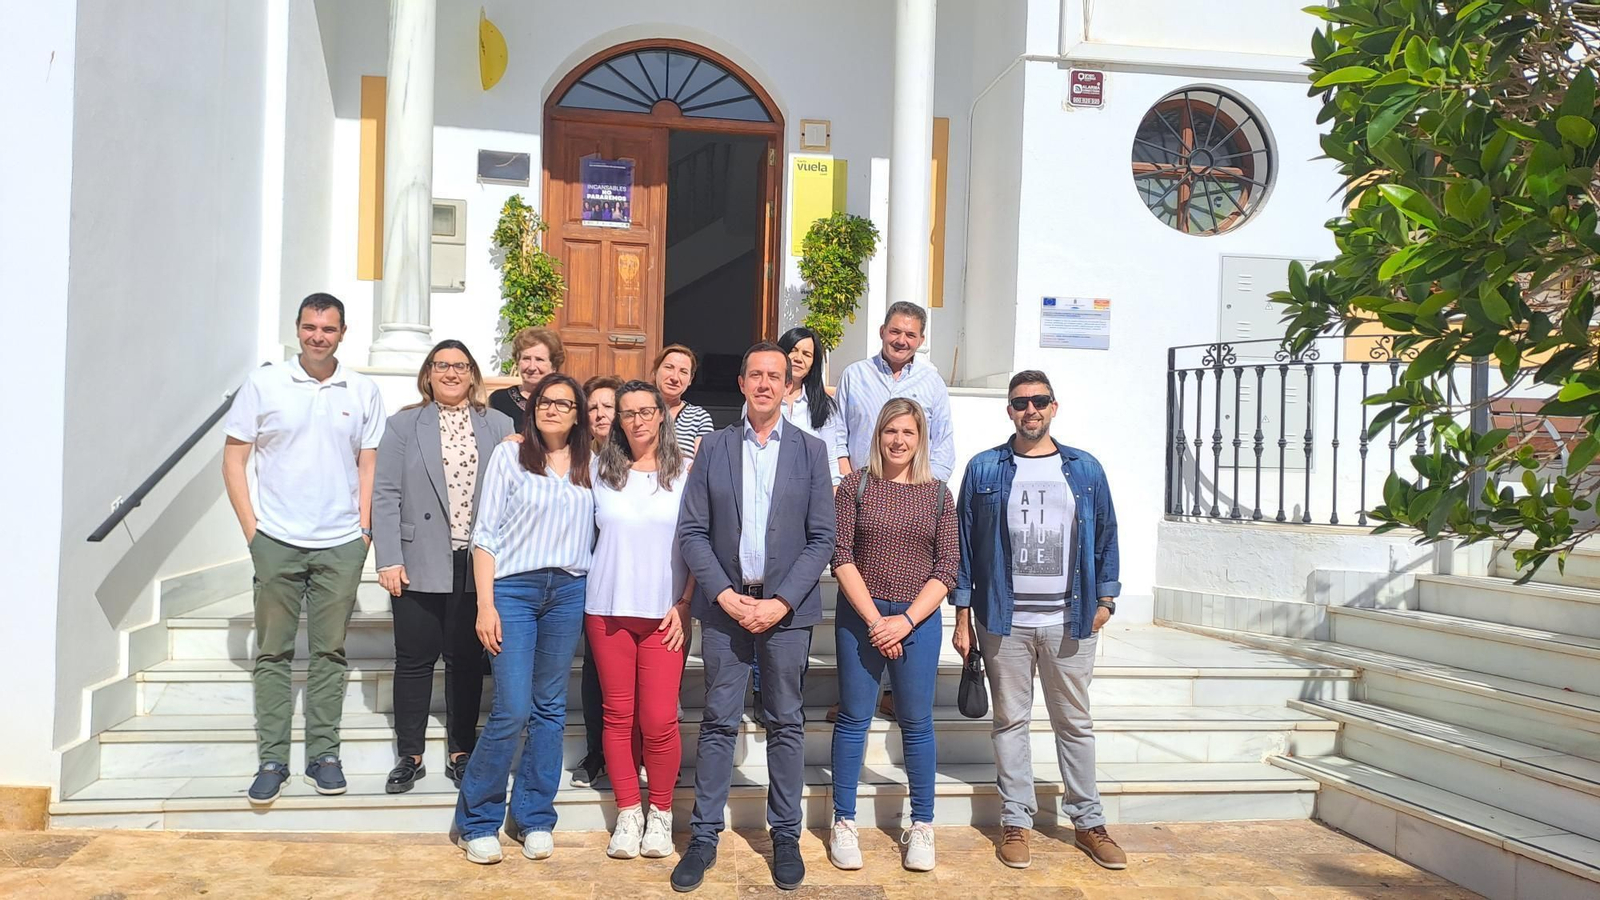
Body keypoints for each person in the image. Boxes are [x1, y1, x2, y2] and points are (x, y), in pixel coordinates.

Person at [671, 343, 836, 893]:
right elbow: (692, 531)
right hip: (726, 609)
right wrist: (722, 594)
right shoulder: (713, 447)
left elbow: (822, 539)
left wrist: (781, 601)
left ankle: (784, 835)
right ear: (740, 383)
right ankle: (704, 837)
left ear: (789, 386)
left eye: (776, 376)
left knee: (786, 721)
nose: (765, 384)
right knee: (718, 722)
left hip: (785, 611)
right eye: (755, 375)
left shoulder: (812, 453)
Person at [952, 370, 1126, 872]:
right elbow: (965, 547)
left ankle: (1089, 821)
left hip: (1069, 619)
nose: (1031, 410)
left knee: (1074, 724)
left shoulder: (1084, 469)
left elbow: (1107, 537)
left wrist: (1107, 601)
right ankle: (1016, 822)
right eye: (1021, 402)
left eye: (1040, 401)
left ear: (1054, 407)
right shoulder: (985, 469)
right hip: (1003, 621)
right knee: (1010, 723)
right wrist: (963, 617)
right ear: (1009, 409)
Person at [221, 293, 386, 806]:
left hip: (340, 543)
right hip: (276, 541)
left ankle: (324, 755)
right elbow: (234, 460)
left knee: (329, 653)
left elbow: (368, 465)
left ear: (343, 332)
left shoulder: (361, 389)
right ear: (297, 329)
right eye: (310, 327)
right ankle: (272, 758)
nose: (319, 336)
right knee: (272, 653)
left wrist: (363, 532)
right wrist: (254, 533)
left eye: (329, 328)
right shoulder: (265, 383)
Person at [453, 374, 594, 865]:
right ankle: (477, 819)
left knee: (550, 708)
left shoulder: (591, 463)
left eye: (563, 402)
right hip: (514, 589)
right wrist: (485, 603)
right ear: (531, 407)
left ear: (578, 414)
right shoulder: (509, 456)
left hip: (569, 590)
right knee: (512, 708)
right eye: (544, 401)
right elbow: (486, 533)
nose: (552, 409)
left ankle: (534, 815)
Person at [373, 341, 514, 794]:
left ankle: (460, 749)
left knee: (465, 659)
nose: (451, 373)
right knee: (414, 660)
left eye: (460, 366)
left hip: (476, 561)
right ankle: (410, 754)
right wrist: (389, 557)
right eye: (442, 366)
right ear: (428, 374)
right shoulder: (403, 424)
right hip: (416, 560)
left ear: (473, 374)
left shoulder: (500, 424)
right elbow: (386, 493)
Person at [828, 398, 956, 873]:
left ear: (921, 439)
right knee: (855, 718)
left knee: (917, 722)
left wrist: (904, 621)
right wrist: (876, 622)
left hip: (917, 619)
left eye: (908, 433)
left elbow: (948, 566)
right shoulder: (855, 487)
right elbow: (841, 555)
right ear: (877, 435)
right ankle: (844, 821)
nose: (899, 441)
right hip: (862, 616)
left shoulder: (940, 494)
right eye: (890, 432)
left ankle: (921, 824)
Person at [830, 301, 954, 721]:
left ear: (921, 340)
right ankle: (861, 695)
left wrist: (918, 490)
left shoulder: (932, 382)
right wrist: (853, 483)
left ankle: (892, 693)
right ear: (882, 331)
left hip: (913, 497)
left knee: (901, 595)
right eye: (895, 331)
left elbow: (942, 443)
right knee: (863, 586)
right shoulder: (855, 375)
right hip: (864, 496)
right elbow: (838, 433)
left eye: (911, 335)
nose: (901, 340)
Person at [587, 381, 695, 860]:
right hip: (607, 610)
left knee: (658, 720)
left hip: (664, 614)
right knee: (618, 717)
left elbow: (698, 543)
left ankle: (662, 813)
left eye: (646, 411)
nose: (637, 420)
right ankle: (629, 810)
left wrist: (686, 602)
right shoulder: (596, 470)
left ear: (661, 415)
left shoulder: (685, 474)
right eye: (627, 413)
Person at [572, 373, 623, 789]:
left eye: (609, 406)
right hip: (590, 579)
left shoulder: (638, 459)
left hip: (631, 579)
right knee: (595, 671)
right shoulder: (577, 460)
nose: (601, 413)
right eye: (594, 407)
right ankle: (596, 751)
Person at [489, 327, 564, 431]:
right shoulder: (499, 400)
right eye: (526, 359)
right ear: (517, 362)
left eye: (539, 360)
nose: (532, 367)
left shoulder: (564, 403)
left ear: (554, 366)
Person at [653, 343, 714, 464]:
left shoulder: (699, 417)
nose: (675, 378)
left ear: (690, 380)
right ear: (655, 371)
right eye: (669, 367)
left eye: (683, 372)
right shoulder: (637, 411)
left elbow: (703, 462)